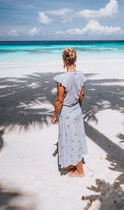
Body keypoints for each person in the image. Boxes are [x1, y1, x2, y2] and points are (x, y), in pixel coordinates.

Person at [52, 47, 88, 177]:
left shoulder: (63, 79)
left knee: (71, 139)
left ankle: (80, 171)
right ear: (75, 59)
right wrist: (77, 107)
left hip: (66, 112)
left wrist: (55, 115)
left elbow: (59, 100)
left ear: (64, 60)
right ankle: (72, 164)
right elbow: (82, 95)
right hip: (76, 110)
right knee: (76, 137)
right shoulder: (81, 77)